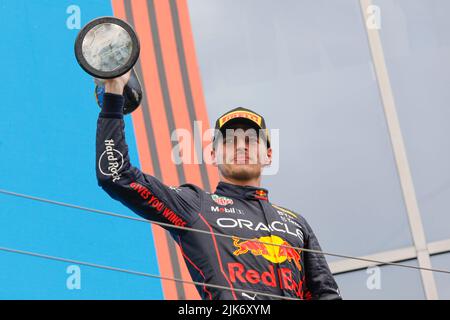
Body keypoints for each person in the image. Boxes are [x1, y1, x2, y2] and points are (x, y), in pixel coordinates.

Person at [95, 71, 341, 300]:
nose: (241, 146)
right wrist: (114, 92)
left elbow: (327, 295)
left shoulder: (296, 223)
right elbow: (116, 176)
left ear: (268, 155)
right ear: (213, 155)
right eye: (230, 141)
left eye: (251, 139)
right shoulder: (194, 205)